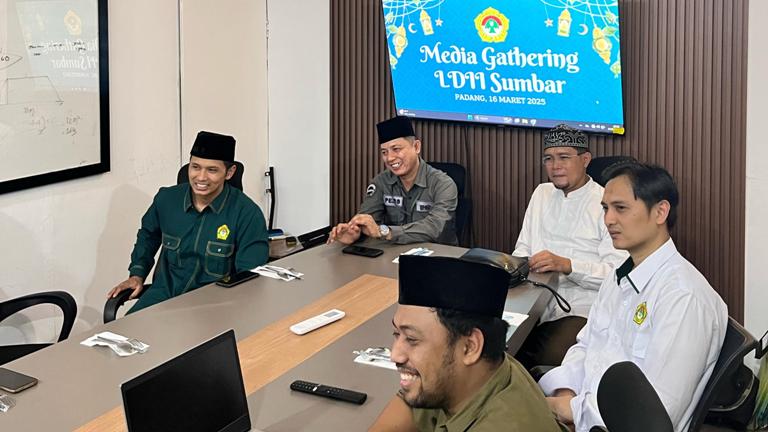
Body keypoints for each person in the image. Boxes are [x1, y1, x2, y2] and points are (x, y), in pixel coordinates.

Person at [539, 162, 728, 431]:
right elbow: (586, 347)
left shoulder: (683, 297)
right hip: (581, 416)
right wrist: (565, 393)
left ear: (660, 212)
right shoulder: (619, 276)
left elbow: (655, 410)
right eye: (605, 208)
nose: (608, 220)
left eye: (621, 208)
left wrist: (571, 409)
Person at [369, 255, 565, 432]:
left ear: (470, 347)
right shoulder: (466, 376)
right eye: (397, 334)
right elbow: (407, 409)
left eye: (412, 339)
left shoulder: (504, 423)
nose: (395, 355)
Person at [108, 131, 269, 313]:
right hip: (163, 296)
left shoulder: (247, 214)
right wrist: (137, 274)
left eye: (212, 170)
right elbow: (148, 236)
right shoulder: (166, 200)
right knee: (125, 329)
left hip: (213, 308)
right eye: (195, 167)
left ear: (229, 172)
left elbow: (248, 279)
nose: (201, 177)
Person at [513, 124, 628, 369]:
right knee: (493, 343)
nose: (555, 166)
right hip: (534, 301)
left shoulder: (605, 202)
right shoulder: (541, 193)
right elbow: (521, 251)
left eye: (564, 157)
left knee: (550, 358)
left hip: (582, 307)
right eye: (549, 159)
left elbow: (618, 274)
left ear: (585, 160)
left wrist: (568, 265)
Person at [328, 116, 458, 246]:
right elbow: (368, 219)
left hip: (438, 253)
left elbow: (435, 227)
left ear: (416, 147)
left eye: (396, 149)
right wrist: (355, 232)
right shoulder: (381, 182)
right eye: (384, 152)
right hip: (394, 253)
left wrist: (386, 232)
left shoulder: (443, 184)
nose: (389, 158)